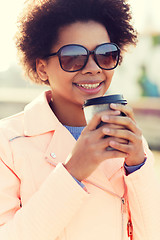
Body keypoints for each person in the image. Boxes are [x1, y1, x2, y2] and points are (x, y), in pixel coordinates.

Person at [0, 0, 160, 239]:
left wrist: (138, 165)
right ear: (43, 68)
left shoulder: (130, 140)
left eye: (105, 55)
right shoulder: (8, 142)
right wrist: (73, 171)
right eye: (74, 57)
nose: (94, 68)